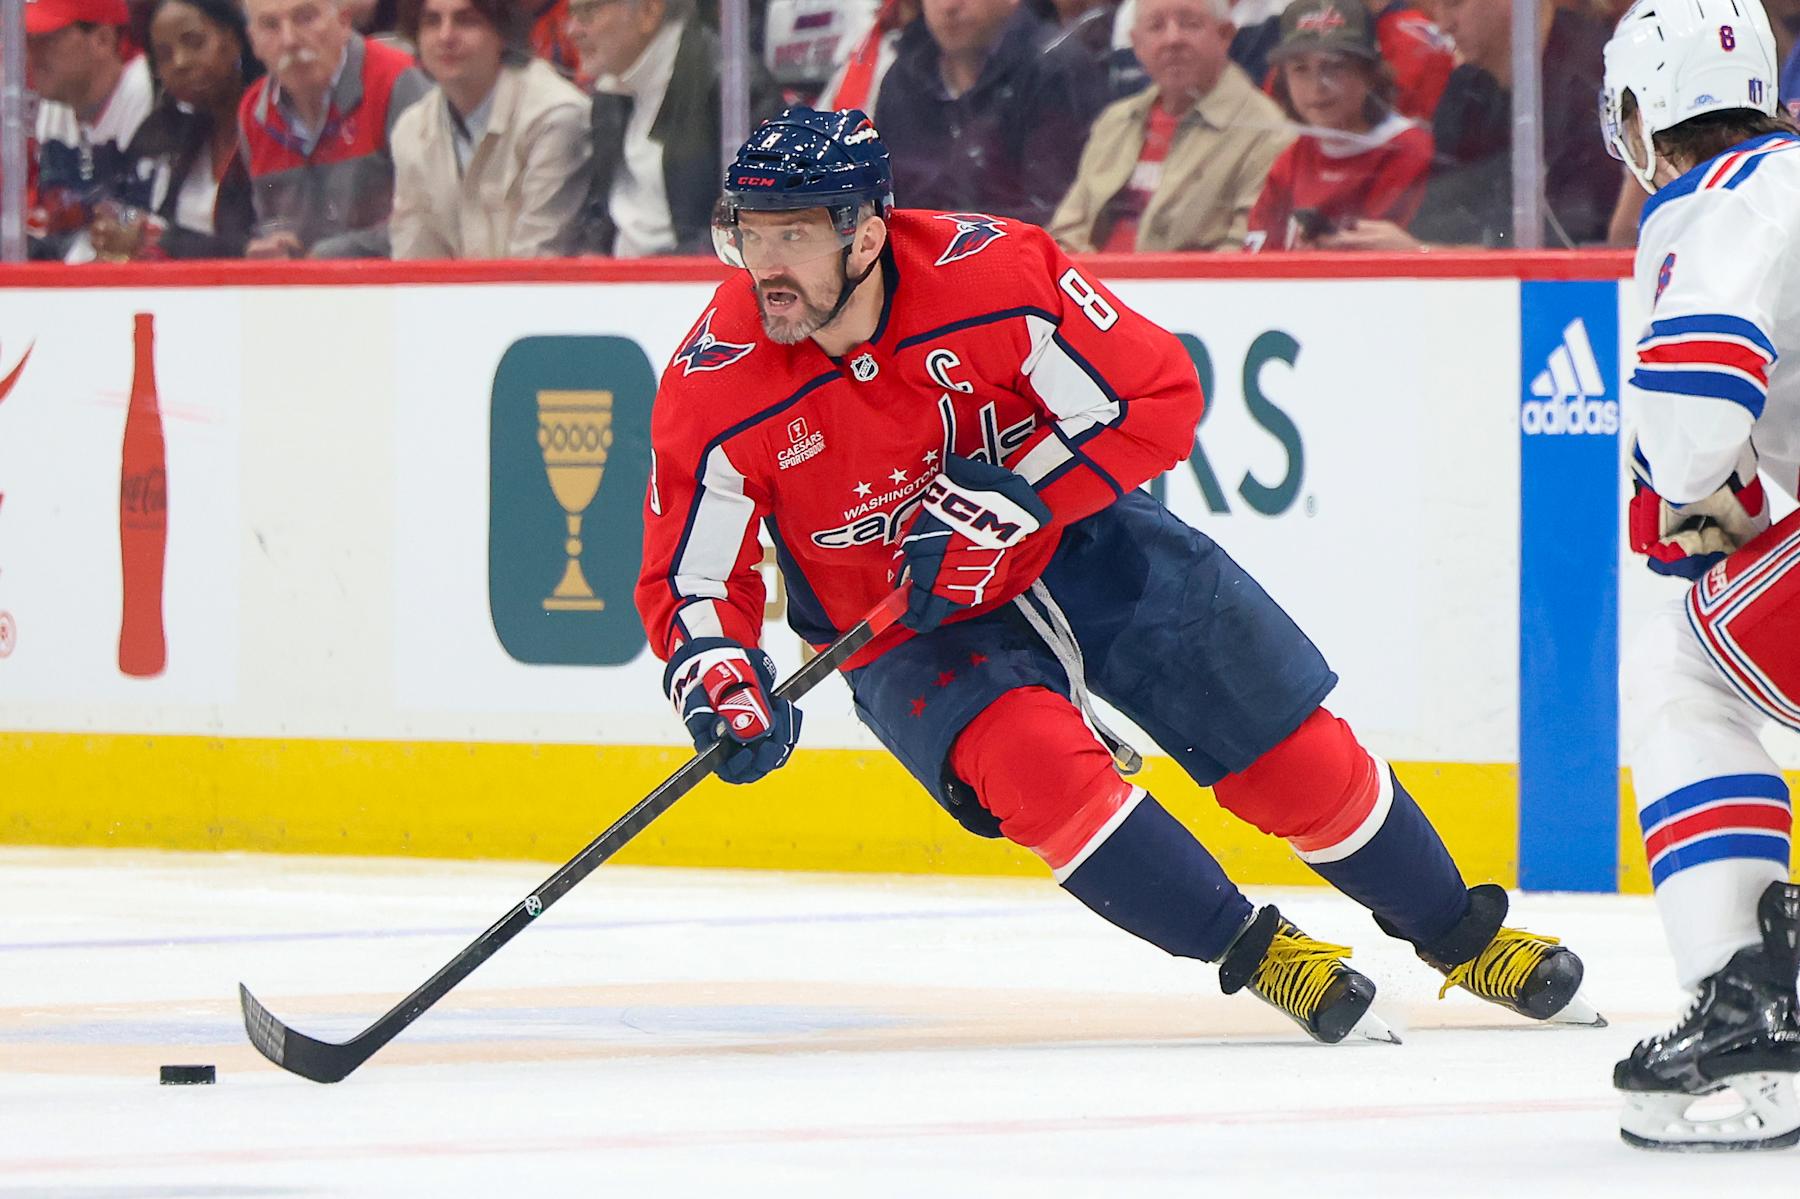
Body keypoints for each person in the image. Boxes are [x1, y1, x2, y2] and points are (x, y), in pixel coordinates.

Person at [634, 105, 1601, 1044]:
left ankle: (1460, 932)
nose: (766, 266)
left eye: (793, 234)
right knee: (1039, 771)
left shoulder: (996, 275)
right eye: (749, 234)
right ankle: (1262, 953)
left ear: (868, 234)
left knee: (1291, 754)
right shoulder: (714, 384)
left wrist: (1019, 496)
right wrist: (718, 674)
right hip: (908, 621)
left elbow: (1155, 396)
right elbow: (690, 578)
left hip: (1082, 544)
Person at [1600, 0, 1800, 1152]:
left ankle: (1747, 1002)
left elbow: (1691, 421)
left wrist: (1674, 481)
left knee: (1686, 665)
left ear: (1643, 109)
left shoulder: (1725, 195)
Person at [1323, 0, 1618, 249]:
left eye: (1454, 2)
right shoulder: (1466, 91)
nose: (1443, 24)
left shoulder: (1599, 81)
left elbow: (1573, 248)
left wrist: (1423, 254)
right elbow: (1440, 219)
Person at [1049, 0, 1291, 252]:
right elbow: (1065, 232)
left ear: (1225, 34)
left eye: (1189, 24)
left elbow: (1244, 255)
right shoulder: (1116, 121)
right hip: (1091, 286)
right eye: (1156, 26)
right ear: (1136, 44)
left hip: (1186, 288)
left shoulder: (1267, 133)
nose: (1172, 39)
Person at [573, 0, 780, 256]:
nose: (572, 29)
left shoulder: (736, 90)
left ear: (649, 10)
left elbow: (757, 229)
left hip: (689, 285)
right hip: (616, 284)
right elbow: (598, 214)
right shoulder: (609, 92)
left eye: (588, 11)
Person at [388, 0, 591, 258]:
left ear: (503, 33)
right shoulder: (411, 129)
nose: (445, 36)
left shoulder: (554, 117)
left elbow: (539, 263)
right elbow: (414, 265)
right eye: (432, 22)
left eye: (465, 21)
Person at [875, 0, 1104, 226]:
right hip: (914, 255)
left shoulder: (1055, 71)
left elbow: (1054, 218)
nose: (948, 6)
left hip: (1013, 255)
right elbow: (882, 203)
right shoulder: (902, 79)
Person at [238, 0, 431, 258]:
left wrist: (334, 254)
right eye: (270, 26)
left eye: (305, 18)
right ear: (253, 42)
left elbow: (430, 220)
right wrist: (268, 245)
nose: (289, 40)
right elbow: (266, 221)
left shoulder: (397, 81)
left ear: (343, 21)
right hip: (298, 292)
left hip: (391, 286)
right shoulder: (254, 112)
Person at [1244, 0, 1431, 250]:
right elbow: (1255, 257)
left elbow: (1371, 263)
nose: (1318, 85)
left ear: (1370, 73)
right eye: (1300, 69)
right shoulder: (1295, 155)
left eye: (1335, 66)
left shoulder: (1406, 150)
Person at [91, 0, 262, 260]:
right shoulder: (166, 133)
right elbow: (129, 207)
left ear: (233, 40)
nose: (180, 62)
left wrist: (160, 240)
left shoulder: (273, 126)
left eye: (194, 42)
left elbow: (265, 245)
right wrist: (120, 225)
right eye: (165, 55)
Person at [25, 0, 156, 262]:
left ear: (103, 40)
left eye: (47, 40)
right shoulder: (56, 100)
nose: (31, 55)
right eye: (28, 40)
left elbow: (146, 224)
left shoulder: (148, 93)